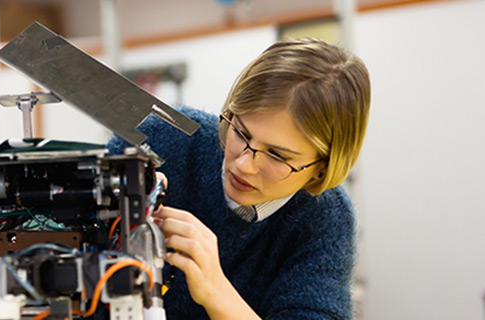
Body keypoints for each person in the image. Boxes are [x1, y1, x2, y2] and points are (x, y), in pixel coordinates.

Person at [108, 38, 371, 319]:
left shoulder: (325, 218)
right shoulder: (166, 138)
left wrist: (216, 291)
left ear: (322, 167)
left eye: (278, 156)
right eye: (241, 133)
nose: (244, 165)